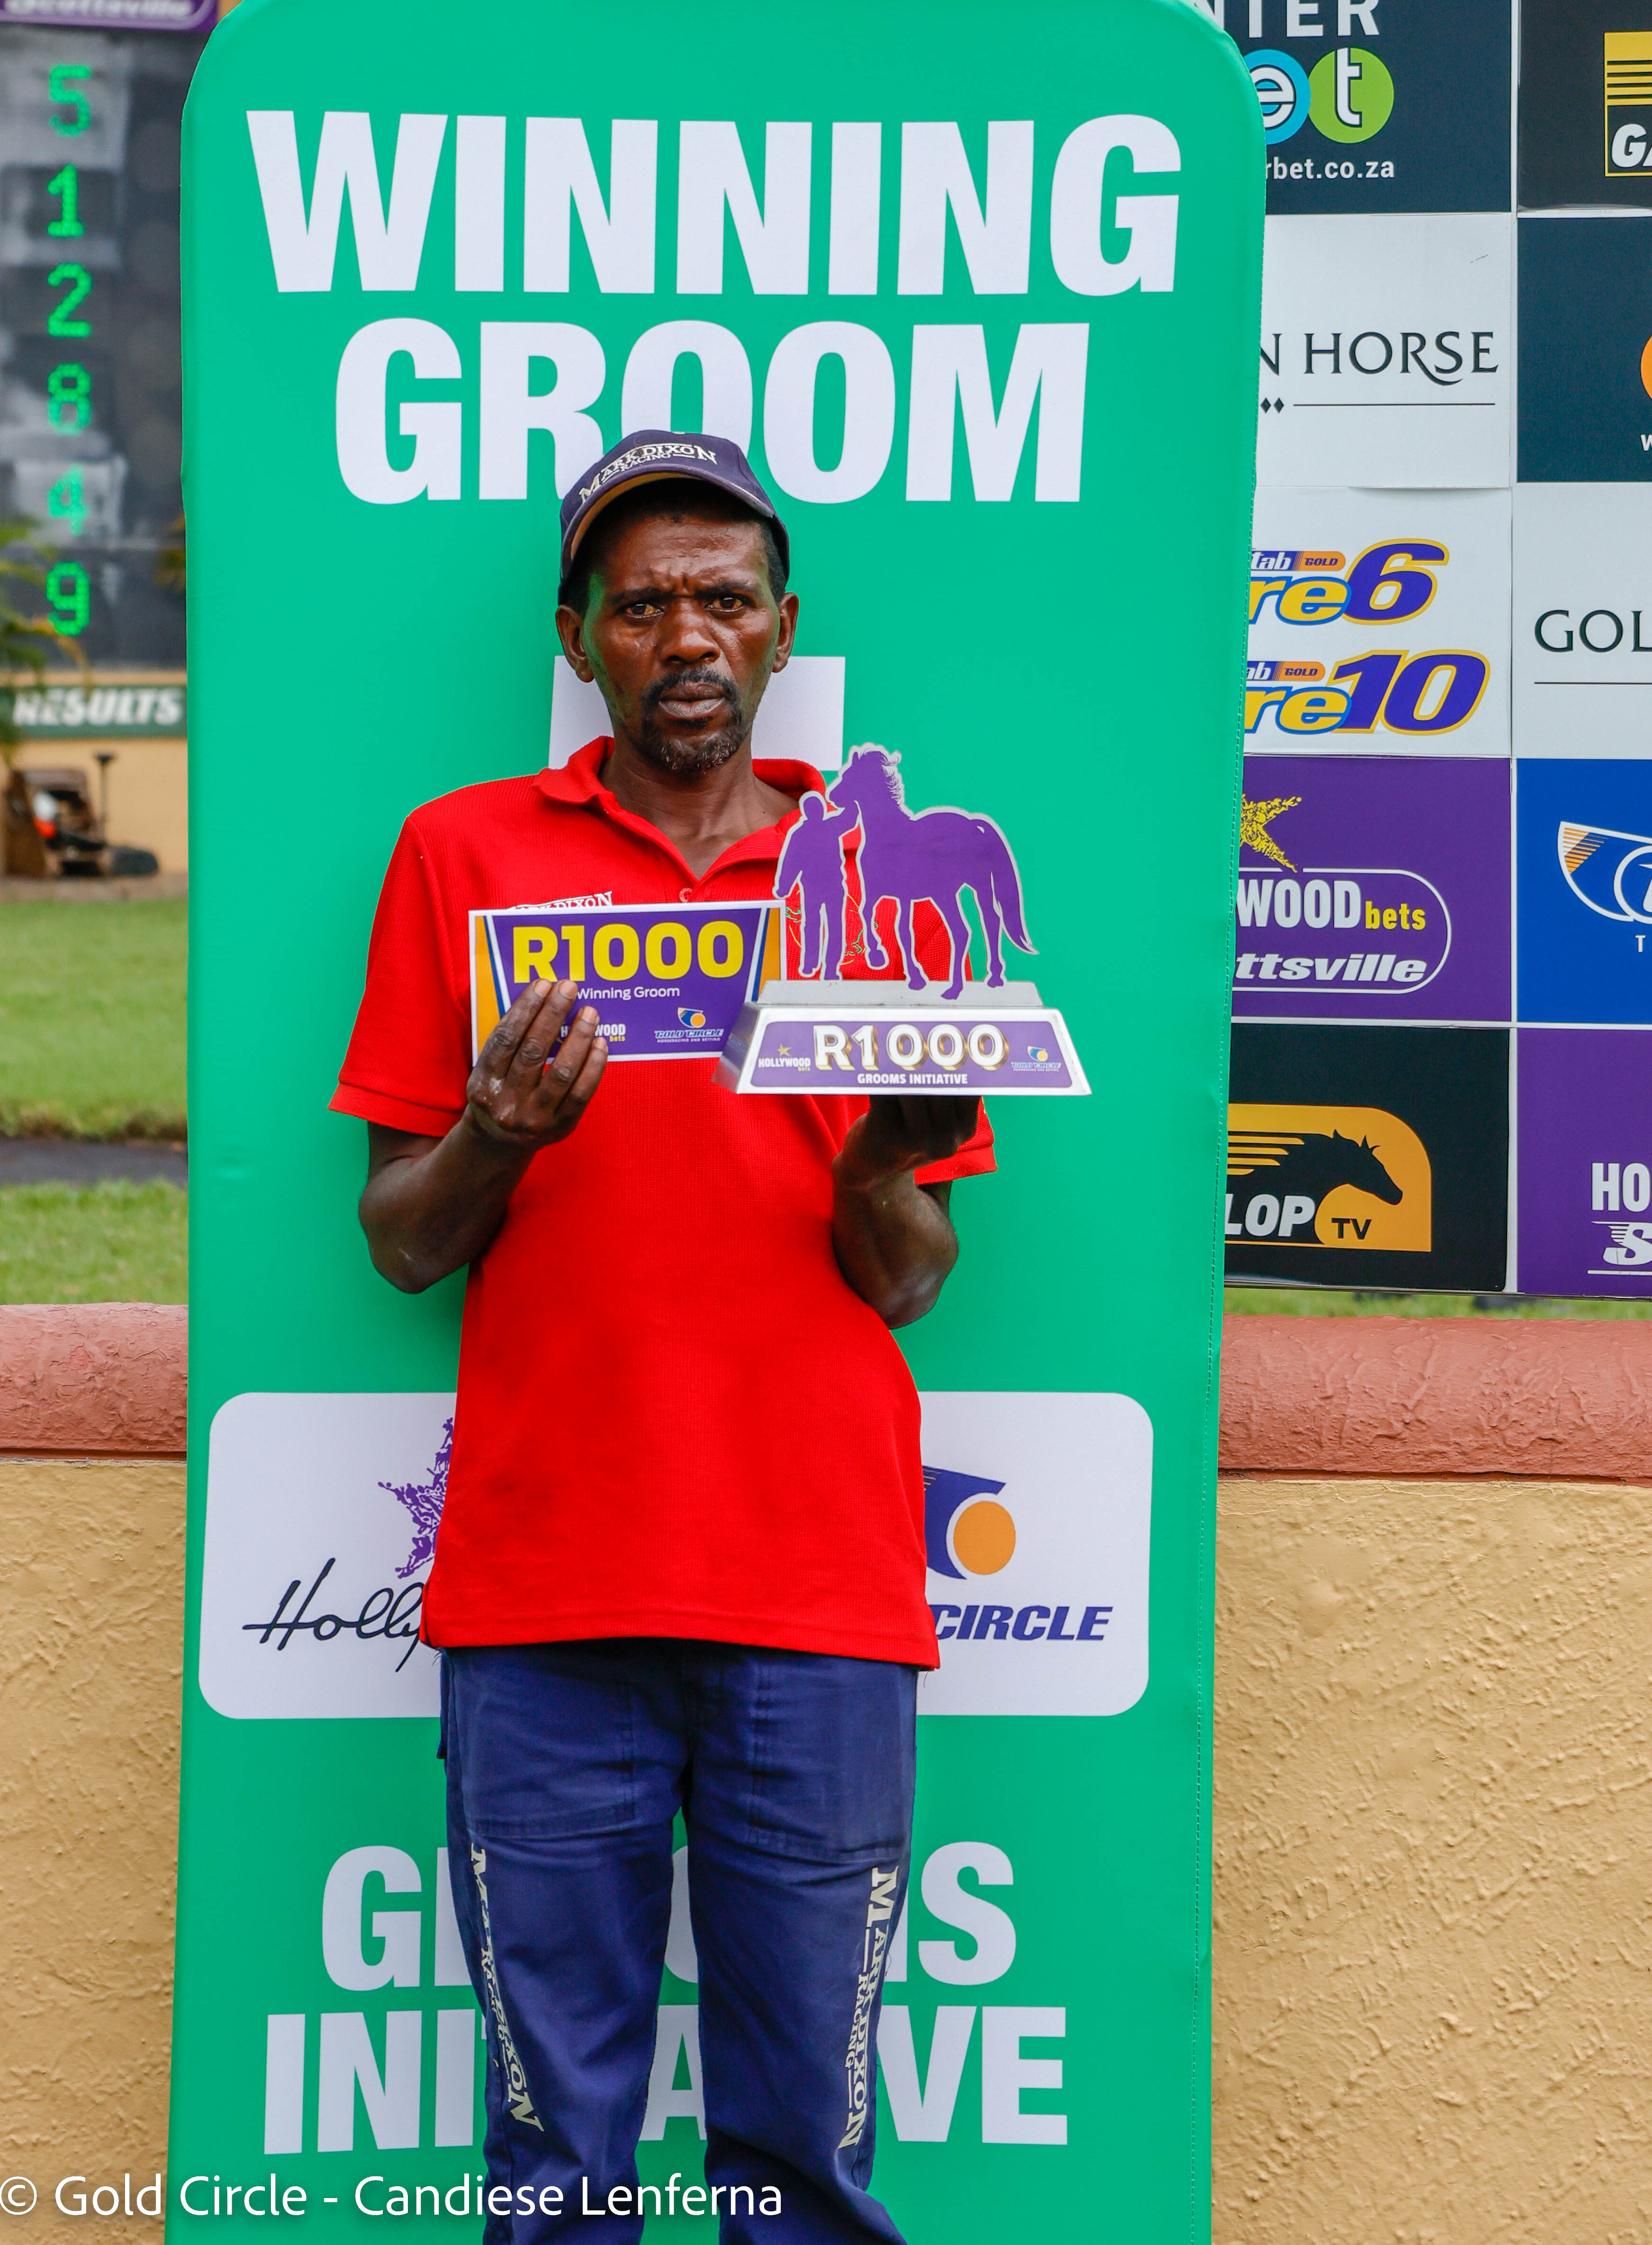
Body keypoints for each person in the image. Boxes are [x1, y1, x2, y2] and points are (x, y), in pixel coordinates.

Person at [331, 430, 995, 2243]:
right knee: (555, 2170)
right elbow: (404, 1243)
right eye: (639, 607)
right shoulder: (465, 852)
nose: (686, 636)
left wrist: (880, 1161)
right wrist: (497, 1133)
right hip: (546, 1601)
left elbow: (910, 1275)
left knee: (806, 2171)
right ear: (578, 639)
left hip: (817, 1594)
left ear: (785, 624)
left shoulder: (880, 868)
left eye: (723, 599)